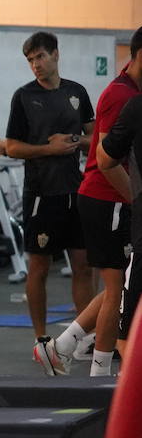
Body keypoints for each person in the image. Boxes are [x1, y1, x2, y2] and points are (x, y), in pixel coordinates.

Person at [1, 31, 95, 375]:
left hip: (77, 191)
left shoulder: (76, 92)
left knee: (84, 265)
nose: (36, 65)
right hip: (42, 193)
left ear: (55, 55)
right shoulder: (23, 97)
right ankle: (41, 338)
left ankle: (84, 337)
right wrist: (47, 149)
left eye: (40, 57)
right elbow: (12, 146)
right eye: (30, 60)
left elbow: (94, 137)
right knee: (39, 267)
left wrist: (74, 141)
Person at [90, 26, 142, 369]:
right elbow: (103, 157)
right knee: (113, 287)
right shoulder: (123, 96)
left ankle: (68, 346)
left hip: (121, 204)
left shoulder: (133, 100)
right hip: (101, 198)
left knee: (106, 286)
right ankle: (91, 366)